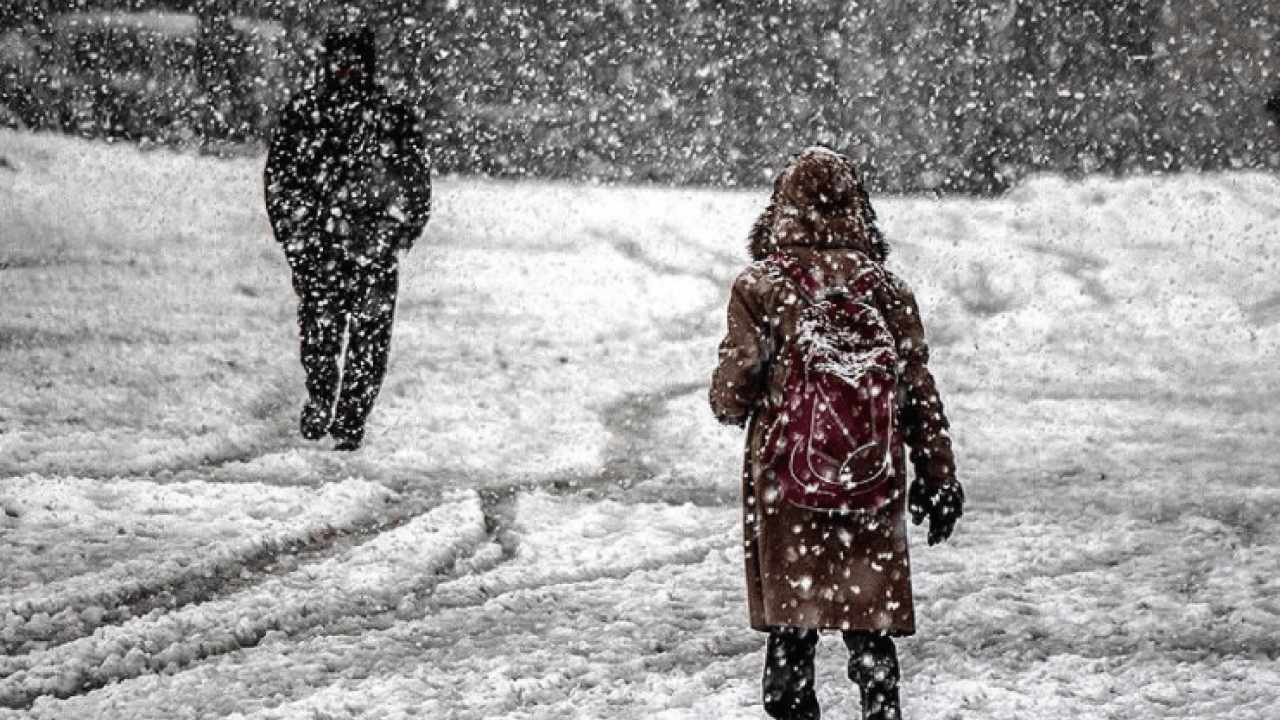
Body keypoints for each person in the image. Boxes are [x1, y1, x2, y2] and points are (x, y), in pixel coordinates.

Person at [710, 147, 964, 720]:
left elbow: (734, 389)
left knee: (792, 627)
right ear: (859, 209)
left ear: (781, 208)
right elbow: (918, 390)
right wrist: (938, 475)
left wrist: (730, 398)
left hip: (787, 481)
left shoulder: (761, 288)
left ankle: (794, 704)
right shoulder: (887, 291)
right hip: (869, 478)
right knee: (867, 623)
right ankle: (880, 707)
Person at [264, 26, 432, 451]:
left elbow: (415, 184)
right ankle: (322, 398)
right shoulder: (307, 113)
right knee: (321, 332)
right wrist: (295, 232)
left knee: (368, 340)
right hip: (322, 246)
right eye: (341, 59)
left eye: (354, 60)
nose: (347, 69)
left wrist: (396, 233)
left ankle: (351, 417)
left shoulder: (389, 116)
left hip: (369, 247)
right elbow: (280, 179)